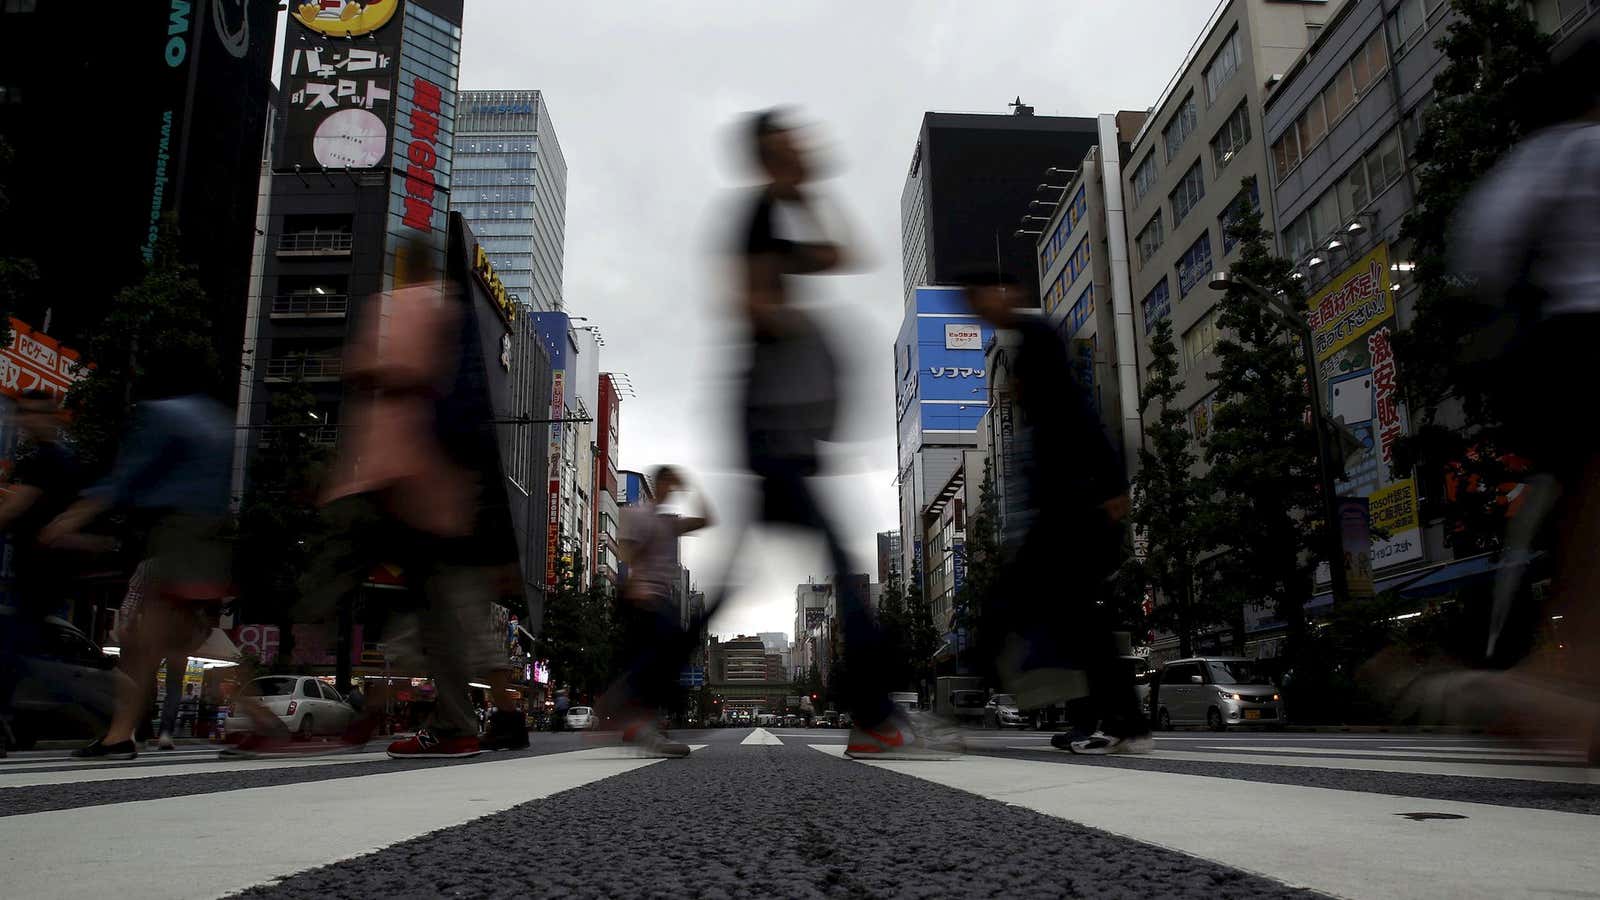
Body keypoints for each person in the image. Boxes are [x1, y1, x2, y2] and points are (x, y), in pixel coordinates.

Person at [708, 109, 957, 760]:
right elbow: (749, 302)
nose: (803, 152)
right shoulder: (757, 218)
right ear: (767, 154)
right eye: (789, 146)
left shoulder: (776, 215)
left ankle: (636, 695)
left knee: (749, 574)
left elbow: (846, 253)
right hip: (772, 421)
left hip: (782, 423)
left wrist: (809, 193)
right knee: (846, 570)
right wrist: (798, 326)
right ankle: (876, 717)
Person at [1384, 38, 1600, 761]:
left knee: (1585, 517)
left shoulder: (1545, 155)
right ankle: (1563, 677)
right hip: (1580, 340)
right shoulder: (1573, 151)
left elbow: (1484, 250)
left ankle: (1561, 678)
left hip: (1566, 346)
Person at [269, 237, 520, 761]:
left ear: (401, 266)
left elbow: (393, 373)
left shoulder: (398, 307)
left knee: (315, 584)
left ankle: (261, 699)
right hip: (438, 490)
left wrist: (360, 371)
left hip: (386, 477)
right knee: (439, 612)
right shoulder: (454, 310)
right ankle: (452, 723)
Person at [959, 270, 1150, 755]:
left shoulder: (1037, 338)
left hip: (1070, 512)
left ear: (1005, 291)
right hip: (1060, 510)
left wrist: (1111, 484)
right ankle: (1105, 722)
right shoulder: (1026, 342)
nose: (975, 308)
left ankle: (953, 711)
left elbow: (1078, 411)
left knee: (1023, 611)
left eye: (978, 296)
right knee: (1074, 624)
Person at [44, 374, 235, 761]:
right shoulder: (217, 420)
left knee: (144, 648)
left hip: (175, 532)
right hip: (207, 536)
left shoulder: (163, 414)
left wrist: (75, 515)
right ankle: (257, 720)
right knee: (165, 647)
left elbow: (129, 474)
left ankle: (120, 735)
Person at [606, 465, 714, 757]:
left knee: (662, 660)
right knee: (657, 658)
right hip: (644, 596)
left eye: (673, 485)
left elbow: (708, 519)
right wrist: (633, 581)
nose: (670, 489)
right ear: (656, 484)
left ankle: (632, 714)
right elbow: (625, 550)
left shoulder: (668, 523)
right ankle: (632, 713)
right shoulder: (638, 514)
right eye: (666, 483)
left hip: (662, 599)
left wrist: (692, 488)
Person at [0, 390, 85, 758]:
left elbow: (15, 507)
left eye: (34, 413)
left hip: (38, 570)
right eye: (24, 415)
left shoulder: (46, 462)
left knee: (15, 644)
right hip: (43, 570)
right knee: (23, 645)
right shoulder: (61, 460)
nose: (27, 421)